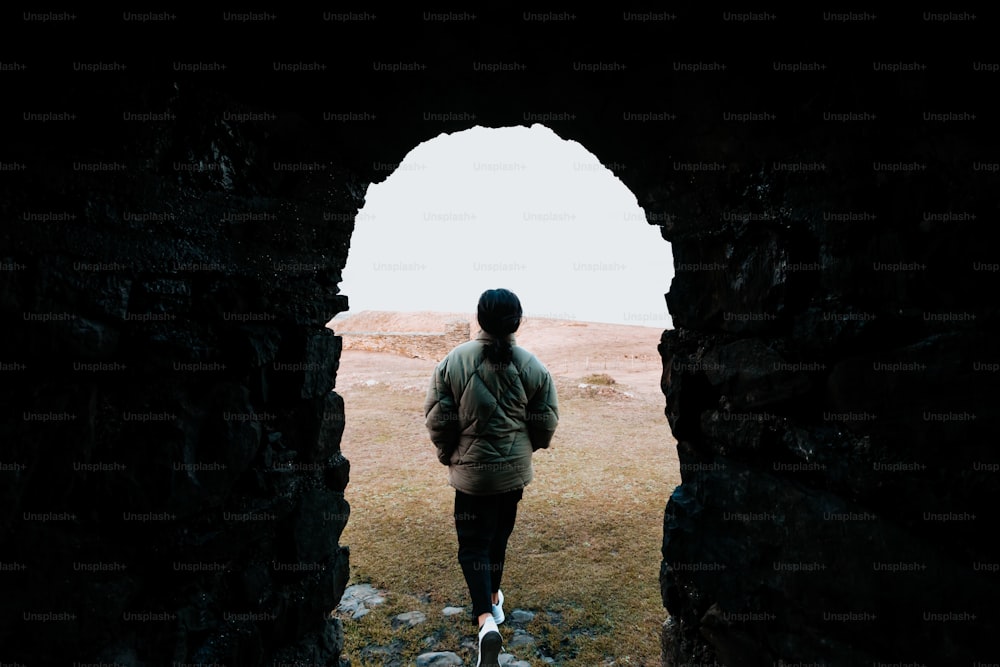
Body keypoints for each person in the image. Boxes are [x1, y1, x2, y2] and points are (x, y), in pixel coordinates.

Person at [424, 288, 559, 666]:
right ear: (516, 321)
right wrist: (523, 451)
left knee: (473, 544)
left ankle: (486, 618)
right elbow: (545, 421)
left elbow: (438, 419)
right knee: (497, 538)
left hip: (471, 478)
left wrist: (448, 453)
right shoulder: (532, 365)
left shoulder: (453, 361)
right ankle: (495, 600)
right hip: (511, 477)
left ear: (479, 318)